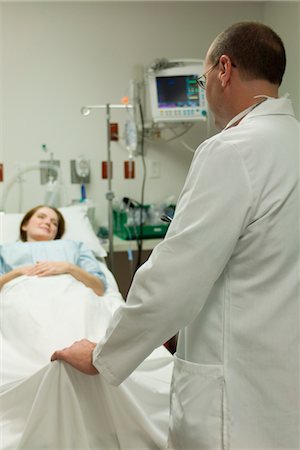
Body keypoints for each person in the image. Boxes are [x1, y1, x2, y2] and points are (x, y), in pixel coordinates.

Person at [51, 22, 299, 449]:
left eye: (202, 80)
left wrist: (101, 354)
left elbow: (173, 279)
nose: (203, 93)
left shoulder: (232, 150)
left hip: (232, 407)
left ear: (224, 69)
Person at [0, 205, 106, 295]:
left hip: (69, 297)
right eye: (41, 217)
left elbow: (99, 288)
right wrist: (17, 272)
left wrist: (69, 268)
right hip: (20, 297)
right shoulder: (5, 250)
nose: (47, 222)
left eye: (54, 223)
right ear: (25, 225)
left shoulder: (74, 246)